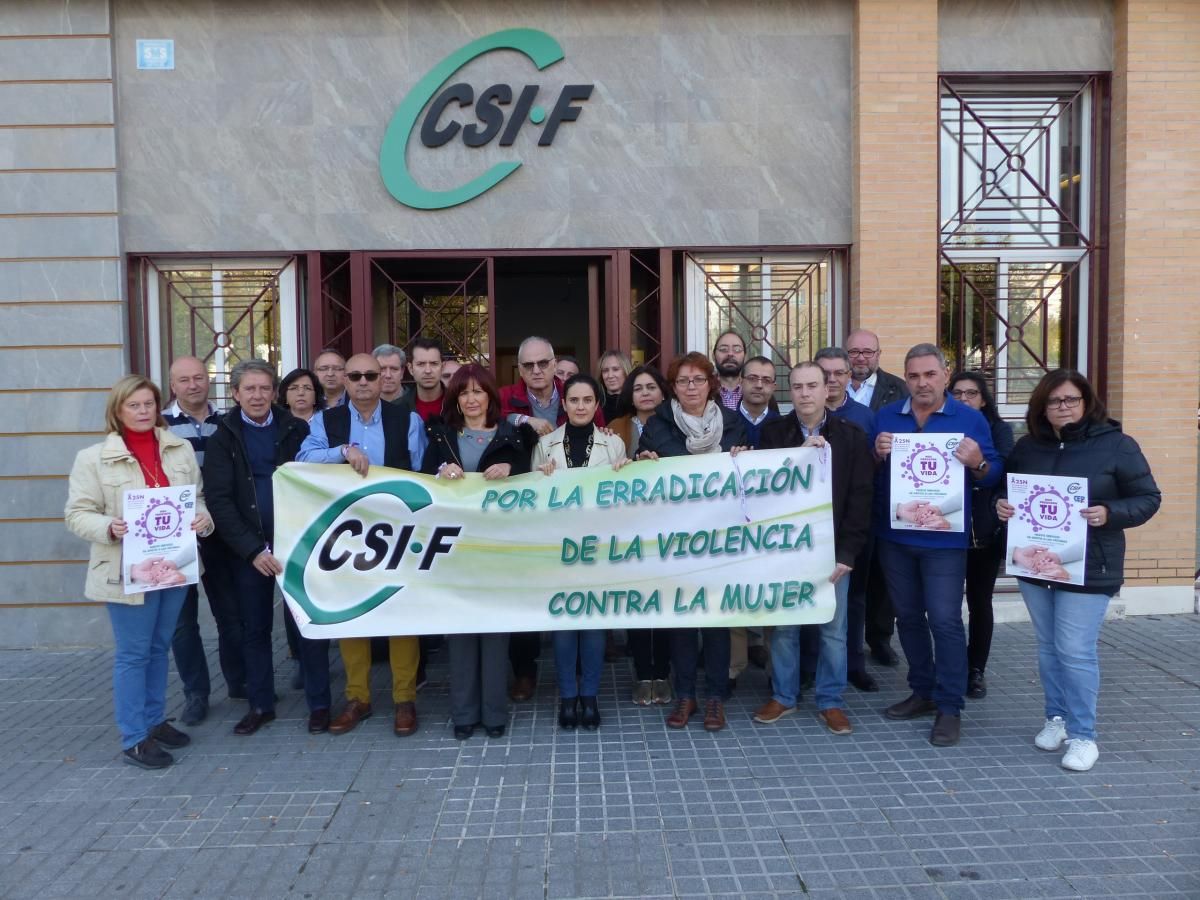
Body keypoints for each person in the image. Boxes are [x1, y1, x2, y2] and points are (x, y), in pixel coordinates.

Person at [997, 370, 1160, 772]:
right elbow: (1006, 491)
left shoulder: (1118, 446)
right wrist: (999, 507)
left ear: (1087, 402)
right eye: (1054, 402)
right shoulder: (1028, 447)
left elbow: (1148, 498)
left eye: (1070, 400)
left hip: (1090, 566)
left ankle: (1084, 736)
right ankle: (1056, 718)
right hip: (1036, 565)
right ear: (1042, 407)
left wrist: (1109, 512)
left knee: (1075, 650)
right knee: (1049, 647)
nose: (1062, 407)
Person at [65, 375, 213, 769]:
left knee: (158, 647)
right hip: (126, 567)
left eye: (149, 404)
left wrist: (203, 521)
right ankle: (134, 738)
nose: (144, 412)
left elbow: (196, 499)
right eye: (135, 405)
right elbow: (77, 514)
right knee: (133, 654)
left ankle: (153, 721)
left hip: (173, 565)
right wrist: (108, 527)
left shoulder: (178, 449)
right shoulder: (93, 458)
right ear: (118, 410)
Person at [872, 344, 1002, 747]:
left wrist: (978, 461)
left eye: (930, 374)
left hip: (945, 540)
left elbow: (992, 473)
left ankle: (949, 705)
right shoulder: (886, 417)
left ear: (945, 375)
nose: (922, 383)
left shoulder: (969, 418)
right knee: (908, 618)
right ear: (905, 378)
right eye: (914, 376)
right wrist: (875, 455)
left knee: (944, 619)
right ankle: (923, 691)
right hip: (896, 536)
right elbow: (867, 474)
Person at [298, 353, 428, 737]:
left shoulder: (407, 419)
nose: (364, 381)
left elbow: (421, 472)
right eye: (354, 375)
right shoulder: (326, 421)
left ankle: (405, 699)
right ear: (344, 380)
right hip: (347, 534)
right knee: (352, 616)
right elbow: (303, 458)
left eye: (372, 374)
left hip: (398, 530)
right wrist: (341, 451)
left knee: (401, 616)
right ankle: (359, 697)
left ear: (385, 377)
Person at [754, 362, 874, 735]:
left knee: (833, 631)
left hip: (832, 552)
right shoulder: (773, 433)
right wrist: (796, 456)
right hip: (786, 550)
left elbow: (860, 500)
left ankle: (831, 700)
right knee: (785, 628)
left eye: (813, 386)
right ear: (790, 393)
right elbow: (761, 492)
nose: (805, 393)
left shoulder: (851, 436)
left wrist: (848, 555)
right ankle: (784, 696)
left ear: (828, 390)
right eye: (798, 387)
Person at [421, 364, 536, 739]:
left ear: (490, 396)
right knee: (461, 632)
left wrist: (510, 467)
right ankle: (464, 715)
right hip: (455, 551)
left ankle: (495, 715)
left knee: (494, 632)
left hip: (499, 551)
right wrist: (440, 471)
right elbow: (423, 481)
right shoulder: (440, 436)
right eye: (463, 392)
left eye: (478, 392)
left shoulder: (514, 436)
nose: (471, 399)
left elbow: (534, 480)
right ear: (455, 399)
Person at [638, 352, 748, 732]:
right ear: (673, 387)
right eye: (682, 381)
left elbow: (752, 478)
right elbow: (642, 476)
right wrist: (643, 459)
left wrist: (746, 458)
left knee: (716, 621)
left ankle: (715, 697)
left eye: (698, 380)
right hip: (675, 540)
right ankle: (686, 695)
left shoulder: (734, 425)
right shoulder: (657, 426)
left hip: (719, 539)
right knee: (682, 621)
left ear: (710, 383)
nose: (690, 387)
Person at [203, 360, 311, 735]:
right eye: (249, 389)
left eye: (264, 388)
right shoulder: (222, 438)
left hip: (298, 542)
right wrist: (253, 550)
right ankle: (261, 704)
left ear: (274, 392)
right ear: (235, 393)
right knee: (255, 627)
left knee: (307, 622)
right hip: (250, 551)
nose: (258, 395)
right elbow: (219, 501)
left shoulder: (296, 429)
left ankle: (319, 704)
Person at [500, 336, 603, 701]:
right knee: (527, 593)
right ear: (520, 368)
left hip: (584, 519)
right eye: (528, 365)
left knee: (580, 602)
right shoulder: (506, 398)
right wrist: (521, 418)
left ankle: (581, 679)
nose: (537, 371)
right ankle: (525, 672)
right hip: (530, 513)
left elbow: (601, 436)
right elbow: (486, 415)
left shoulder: (574, 393)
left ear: (553, 360)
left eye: (543, 363)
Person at [532, 374, 629, 730]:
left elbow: (626, 497)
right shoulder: (546, 445)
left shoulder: (612, 445)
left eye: (588, 400)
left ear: (596, 405)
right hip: (559, 547)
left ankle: (590, 697)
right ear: (565, 404)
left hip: (599, 547)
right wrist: (541, 477)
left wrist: (625, 471)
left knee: (593, 626)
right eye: (574, 400)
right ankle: (567, 697)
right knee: (563, 626)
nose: (581, 406)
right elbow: (531, 497)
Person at [163, 356, 244, 726]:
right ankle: (196, 694)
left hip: (222, 531)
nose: (193, 385)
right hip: (176, 538)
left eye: (199, 378)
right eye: (185, 380)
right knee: (183, 622)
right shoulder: (159, 426)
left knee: (230, 614)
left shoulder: (228, 422)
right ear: (173, 385)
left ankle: (239, 682)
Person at [604, 365, 673, 704]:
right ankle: (642, 674)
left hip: (667, 530)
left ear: (663, 392)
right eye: (638, 388)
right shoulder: (614, 429)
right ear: (630, 395)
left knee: (663, 604)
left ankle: (662, 674)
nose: (645, 393)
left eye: (651, 387)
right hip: (627, 531)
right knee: (636, 605)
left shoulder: (676, 425)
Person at [814, 346, 878, 693]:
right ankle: (812, 671)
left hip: (848, 533)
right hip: (805, 539)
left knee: (851, 602)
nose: (832, 380)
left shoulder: (864, 418)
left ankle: (854, 665)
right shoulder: (792, 423)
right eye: (824, 374)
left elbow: (865, 480)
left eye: (839, 373)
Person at [949, 371, 1015, 700]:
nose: (963, 399)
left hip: (984, 530)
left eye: (971, 394)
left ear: (983, 398)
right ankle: (951, 666)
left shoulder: (999, 430)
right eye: (957, 393)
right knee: (945, 605)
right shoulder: (942, 426)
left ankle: (976, 670)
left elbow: (1006, 473)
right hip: (946, 531)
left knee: (979, 602)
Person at [845, 329, 907, 669]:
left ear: (879, 354)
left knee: (882, 574)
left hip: (884, 491)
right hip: (847, 495)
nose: (861, 358)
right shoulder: (831, 388)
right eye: (854, 352)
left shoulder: (898, 390)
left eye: (868, 351)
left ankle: (879, 638)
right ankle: (851, 644)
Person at [277, 366, 324, 689]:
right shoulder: (276, 426)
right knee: (294, 589)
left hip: (325, 517)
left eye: (307, 388)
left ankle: (318, 658)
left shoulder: (328, 423)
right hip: (291, 519)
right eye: (294, 388)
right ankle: (300, 657)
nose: (301, 393)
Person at [736, 356, 781, 448]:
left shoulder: (784, 427)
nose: (759, 385)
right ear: (740, 382)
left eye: (766, 380)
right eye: (752, 378)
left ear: (774, 387)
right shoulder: (724, 424)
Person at [407, 337, 446, 421]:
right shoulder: (398, 408)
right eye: (421, 364)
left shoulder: (458, 405)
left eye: (434, 364)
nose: (428, 370)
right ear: (410, 369)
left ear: (442, 367)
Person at [712, 330, 747, 410]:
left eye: (737, 350)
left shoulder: (757, 390)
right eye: (723, 349)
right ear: (713, 356)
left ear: (745, 356)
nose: (730, 354)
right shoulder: (703, 391)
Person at [596, 350, 632, 423]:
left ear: (625, 371)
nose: (610, 375)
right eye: (605, 371)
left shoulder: (634, 403)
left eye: (615, 369)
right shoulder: (595, 405)